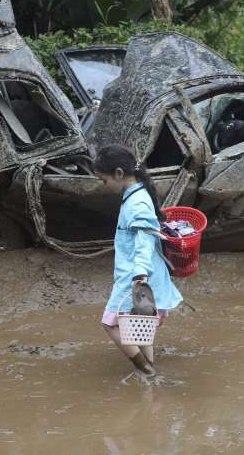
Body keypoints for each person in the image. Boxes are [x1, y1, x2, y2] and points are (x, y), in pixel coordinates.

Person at [93, 144, 183, 376]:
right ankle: (152, 367)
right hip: (143, 271)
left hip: (135, 274)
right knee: (141, 322)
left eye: (104, 180)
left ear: (119, 174)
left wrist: (140, 275)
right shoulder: (137, 194)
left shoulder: (137, 202)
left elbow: (144, 240)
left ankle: (145, 370)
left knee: (109, 323)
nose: (104, 185)